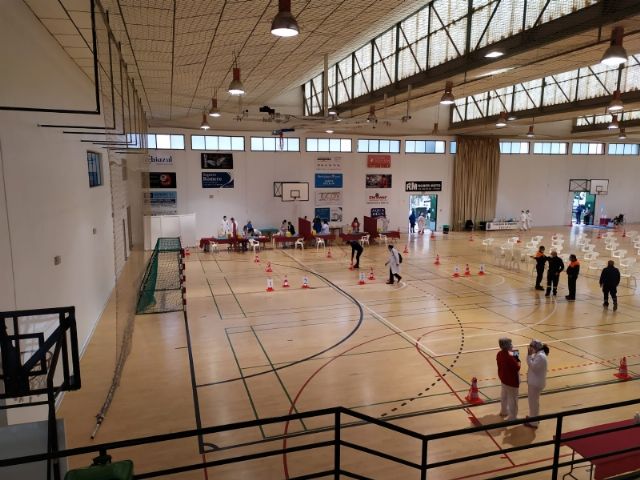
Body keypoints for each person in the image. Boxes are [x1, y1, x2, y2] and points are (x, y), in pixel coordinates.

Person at [525, 340, 549, 428]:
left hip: (535, 384)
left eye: (531, 347)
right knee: (534, 402)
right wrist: (530, 356)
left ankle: (534, 422)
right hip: (535, 382)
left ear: (536, 347)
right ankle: (534, 417)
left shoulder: (540, 357)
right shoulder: (539, 355)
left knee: (533, 403)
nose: (530, 349)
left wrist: (528, 356)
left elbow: (533, 367)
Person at [496, 337, 521, 421]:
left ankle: (504, 411)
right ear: (507, 346)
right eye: (510, 344)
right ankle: (512, 416)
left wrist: (513, 354)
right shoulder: (509, 357)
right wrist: (517, 359)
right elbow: (517, 367)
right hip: (511, 381)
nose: (512, 345)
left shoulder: (499, 354)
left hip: (503, 379)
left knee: (504, 396)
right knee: (513, 398)